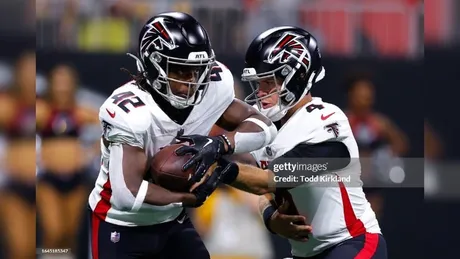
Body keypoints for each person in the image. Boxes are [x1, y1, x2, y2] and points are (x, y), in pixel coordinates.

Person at [88, 12, 277, 259]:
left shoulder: (211, 89)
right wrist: (185, 197)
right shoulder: (131, 112)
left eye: (198, 70)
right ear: (153, 65)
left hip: (171, 221)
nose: (192, 82)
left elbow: (264, 127)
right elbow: (127, 195)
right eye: (181, 71)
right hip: (121, 224)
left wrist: (219, 144)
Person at [210, 26, 387, 258]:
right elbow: (263, 193)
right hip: (306, 253)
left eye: (268, 83)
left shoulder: (326, 120)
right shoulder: (266, 126)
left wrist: (215, 167)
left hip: (352, 242)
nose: (261, 93)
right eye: (258, 84)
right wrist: (271, 218)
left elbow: (268, 180)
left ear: (297, 77)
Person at [35, 64, 99, 254]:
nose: (62, 86)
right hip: (48, 179)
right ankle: (49, 257)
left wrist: (91, 152)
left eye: (66, 82)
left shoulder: (81, 111)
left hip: (76, 179)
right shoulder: (42, 110)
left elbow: (111, 127)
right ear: (51, 84)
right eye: (58, 82)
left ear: (73, 85)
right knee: (54, 231)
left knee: (70, 233)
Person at [0, 52, 36, 259]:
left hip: (45, 183)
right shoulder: (8, 104)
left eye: (33, 70)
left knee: (49, 244)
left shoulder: (48, 106)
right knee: (20, 249)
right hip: (14, 187)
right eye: (25, 70)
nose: (29, 76)